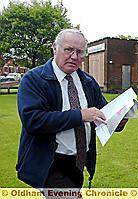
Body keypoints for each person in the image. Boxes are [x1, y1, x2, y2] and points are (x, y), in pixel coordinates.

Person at [16, 29, 127, 188]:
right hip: (51, 164)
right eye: (68, 50)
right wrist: (80, 115)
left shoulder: (88, 81)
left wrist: (120, 119)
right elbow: (33, 121)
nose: (74, 57)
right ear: (55, 48)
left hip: (79, 162)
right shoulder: (34, 80)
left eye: (80, 52)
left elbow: (103, 115)